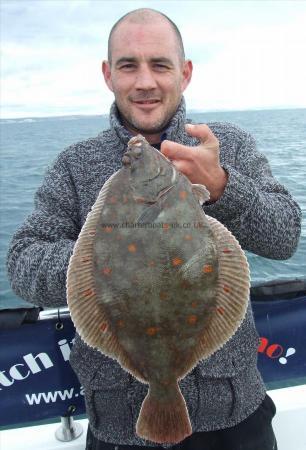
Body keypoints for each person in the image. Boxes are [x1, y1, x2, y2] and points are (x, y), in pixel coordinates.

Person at [7, 8, 301, 450]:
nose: (145, 81)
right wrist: (108, 257)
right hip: (119, 429)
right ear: (109, 75)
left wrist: (223, 185)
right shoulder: (73, 165)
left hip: (236, 420)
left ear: (184, 73)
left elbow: (284, 236)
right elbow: (23, 264)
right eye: (129, 65)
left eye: (160, 64)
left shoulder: (229, 145)